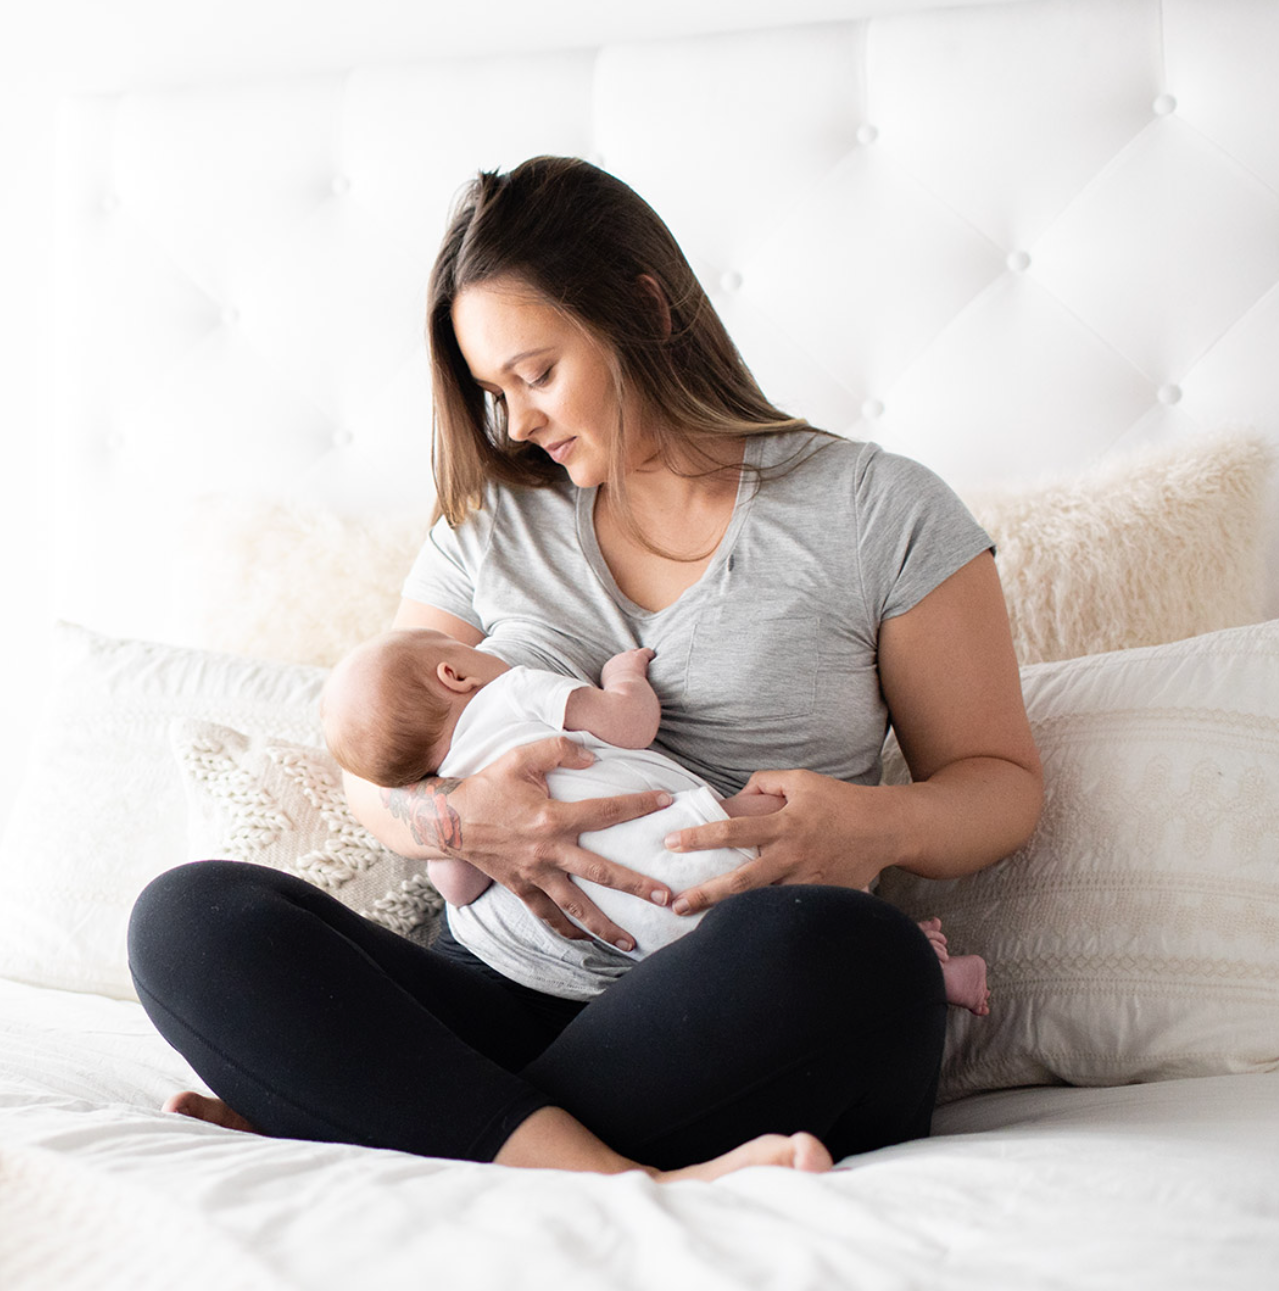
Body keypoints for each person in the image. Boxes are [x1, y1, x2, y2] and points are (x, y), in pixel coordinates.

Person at [129, 156, 1042, 1183]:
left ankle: (401, 1116)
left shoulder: (880, 510)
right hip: (501, 995)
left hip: (732, 1004)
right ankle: (602, 1171)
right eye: (492, 392)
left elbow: (999, 783)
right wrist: (460, 822)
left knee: (858, 957)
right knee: (191, 921)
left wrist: (872, 823)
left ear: (643, 308)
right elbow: (371, 772)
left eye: (536, 373)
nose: (515, 423)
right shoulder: (489, 530)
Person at [320, 627, 992, 1013]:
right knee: (769, 822)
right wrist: (620, 676)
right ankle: (919, 964)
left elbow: (459, 888)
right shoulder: (514, 690)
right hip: (697, 846)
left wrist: (452, 823)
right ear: (453, 673)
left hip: (624, 944)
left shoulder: (450, 795)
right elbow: (630, 726)